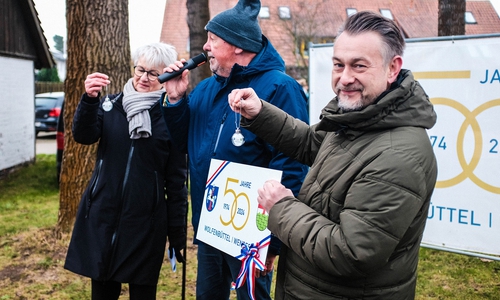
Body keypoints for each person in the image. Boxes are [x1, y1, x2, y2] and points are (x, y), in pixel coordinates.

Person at [228, 11, 438, 299]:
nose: (345, 78)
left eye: (359, 66)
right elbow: (310, 144)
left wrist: (281, 208)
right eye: (338, 65)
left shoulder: (398, 155)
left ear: (393, 68)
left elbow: (351, 252)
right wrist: (261, 113)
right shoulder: (360, 118)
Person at [160, 0, 309, 299]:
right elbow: (186, 145)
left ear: (238, 46)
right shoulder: (206, 89)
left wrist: (273, 242)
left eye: (213, 39)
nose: (206, 47)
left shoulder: (279, 88)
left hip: (252, 233)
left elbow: (292, 165)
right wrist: (176, 101)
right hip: (213, 224)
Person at [64, 42, 188, 300]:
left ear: (167, 76)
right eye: (140, 69)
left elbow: (176, 182)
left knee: (142, 294)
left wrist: (177, 235)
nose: (144, 78)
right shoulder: (110, 106)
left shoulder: (169, 117)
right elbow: (83, 135)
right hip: (103, 216)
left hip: (145, 224)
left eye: (154, 73)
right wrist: (89, 100)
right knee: (102, 292)